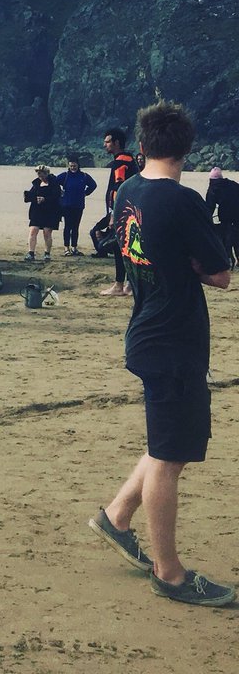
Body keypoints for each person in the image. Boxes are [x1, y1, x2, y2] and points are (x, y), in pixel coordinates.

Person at [89, 100, 234, 607]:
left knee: (165, 442)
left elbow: (134, 249)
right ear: (188, 150)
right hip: (174, 341)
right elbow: (221, 274)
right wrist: (187, 261)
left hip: (147, 332)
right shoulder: (183, 202)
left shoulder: (128, 190)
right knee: (170, 456)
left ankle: (115, 517)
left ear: (143, 145)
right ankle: (168, 573)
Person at [100, 128, 140, 297]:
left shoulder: (121, 162)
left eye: (108, 141)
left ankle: (121, 285)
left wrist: (112, 214)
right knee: (129, 248)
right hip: (132, 210)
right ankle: (129, 284)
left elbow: (119, 188)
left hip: (123, 212)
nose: (105, 145)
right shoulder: (130, 159)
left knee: (121, 247)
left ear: (116, 143)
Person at [55, 157, 97, 255]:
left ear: (78, 165)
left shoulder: (84, 176)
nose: (73, 168)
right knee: (67, 227)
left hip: (79, 205)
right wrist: (60, 192)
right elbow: (54, 182)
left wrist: (86, 193)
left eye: (74, 166)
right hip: (67, 205)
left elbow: (93, 185)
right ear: (68, 166)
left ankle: (74, 248)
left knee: (75, 227)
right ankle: (66, 248)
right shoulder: (65, 176)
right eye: (71, 166)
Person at [23, 165, 61, 262]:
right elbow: (29, 196)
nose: (39, 175)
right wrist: (33, 198)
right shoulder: (36, 183)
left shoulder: (54, 183)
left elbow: (57, 196)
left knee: (47, 232)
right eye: (38, 173)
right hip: (37, 210)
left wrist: (45, 199)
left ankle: (47, 253)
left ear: (46, 173)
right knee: (33, 231)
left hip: (50, 211)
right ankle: (31, 253)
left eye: (41, 173)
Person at [205, 168, 239, 269]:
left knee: (226, 240)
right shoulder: (232, 184)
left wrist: (207, 221)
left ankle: (229, 261)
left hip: (226, 217)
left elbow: (209, 207)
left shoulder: (213, 189)